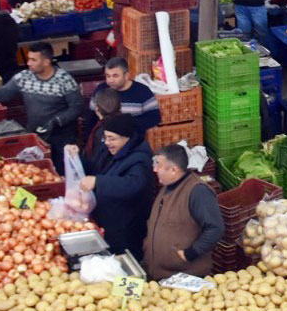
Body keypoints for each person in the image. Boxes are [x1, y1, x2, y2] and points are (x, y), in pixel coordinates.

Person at [0, 43, 86, 172]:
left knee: (61, 170)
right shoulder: (24, 77)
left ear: (46, 62)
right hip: (35, 133)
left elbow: (77, 107)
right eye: (28, 59)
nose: (28, 63)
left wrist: (56, 121)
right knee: (36, 170)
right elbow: (4, 92)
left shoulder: (64, 80)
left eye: (33, 60)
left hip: (61, 137)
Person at [78, 114, 156, 258]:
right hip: (106, 221)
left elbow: (132, 185)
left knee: (123, 260)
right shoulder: (107, 149)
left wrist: (98, 182)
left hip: (126, 227)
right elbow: (92, 165)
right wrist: (77, 157)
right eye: (105, 137)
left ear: (126, 138)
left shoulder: (140, 159)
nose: (107, 142)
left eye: (112, 138)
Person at [144, 144, 224, 280]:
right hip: (160, 275)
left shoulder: (198, 192)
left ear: (174, 170)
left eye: (159, 166)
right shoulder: (167, 187)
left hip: (184, 278)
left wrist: (190, 253)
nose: (155, 169)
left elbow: (215, 228)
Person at [101, 57, 162, 135]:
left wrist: (128, 124)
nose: (110, 80)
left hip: (134, 140)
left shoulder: (142, 91)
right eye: (108, 76)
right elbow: (91, 117)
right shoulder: (101, 89)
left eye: (115, 76)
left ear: (126, 75)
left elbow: (155, 117)